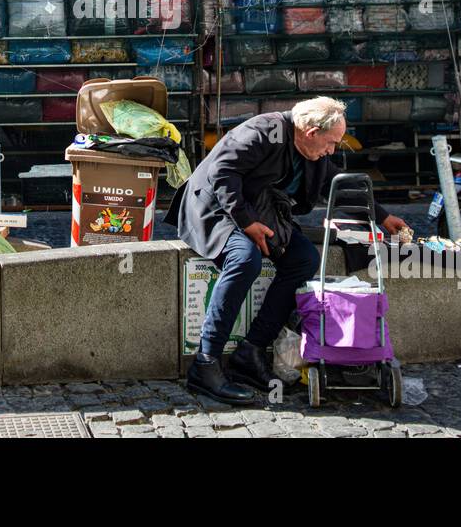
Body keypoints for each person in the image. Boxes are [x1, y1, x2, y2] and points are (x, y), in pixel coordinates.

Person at [165, 97, 411, 405]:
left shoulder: (313, 151)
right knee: (245, 259)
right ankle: (205, 362)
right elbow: (221, 174)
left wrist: (382, 215)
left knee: (304, 258)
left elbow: (337, 183)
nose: (332, 150)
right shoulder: (262, 132)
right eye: (331, 143)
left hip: (260, 211)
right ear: (310, 132)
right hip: (217, 207)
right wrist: (247, 223)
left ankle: (251, 351)